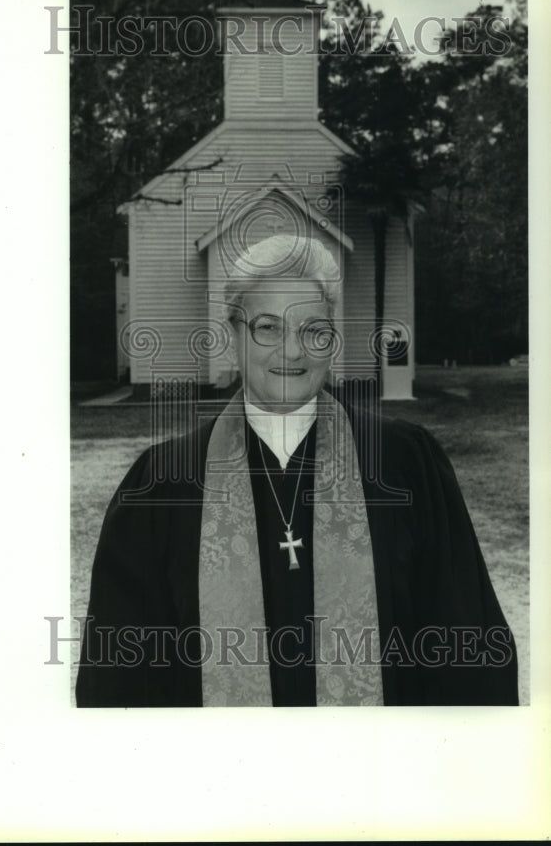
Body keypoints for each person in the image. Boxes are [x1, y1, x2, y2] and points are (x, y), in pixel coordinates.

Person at [76, 235, 518, 707]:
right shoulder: (162, 485)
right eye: (267, 327)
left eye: (312, 329)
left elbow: (468, 652)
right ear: (231, 338)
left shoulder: (405, 465)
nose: (292, 351)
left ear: (332, 341)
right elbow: (120, 682)